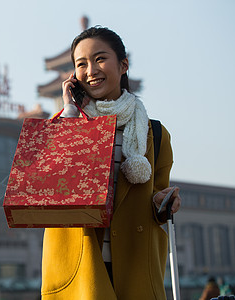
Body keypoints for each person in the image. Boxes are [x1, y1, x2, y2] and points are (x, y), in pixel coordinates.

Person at [41, 26, 181, 299]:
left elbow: (156, 200)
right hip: (80, 271)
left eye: (100, 58)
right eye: (81, 64)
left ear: (123, 64)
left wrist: (163, 201)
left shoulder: (155, 134)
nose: (91, 70)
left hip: (136, 265)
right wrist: (70, 109)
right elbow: (48, 184)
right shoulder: (62, 125)